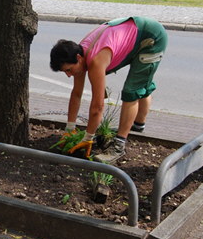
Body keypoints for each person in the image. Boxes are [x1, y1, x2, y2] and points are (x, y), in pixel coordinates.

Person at [50, 17, 168, 163]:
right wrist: (69, 129)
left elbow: (98, 107)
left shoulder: (95, 60)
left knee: (131, 91)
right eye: (65, 72)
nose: (69, 75)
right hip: (133, 34)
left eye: (68, 70)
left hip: (151, 37)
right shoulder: (77, 53)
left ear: (79, 58)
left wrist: (88, 138)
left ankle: (119, 145)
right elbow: (76, 93)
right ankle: (137, 126)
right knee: (141, 82)